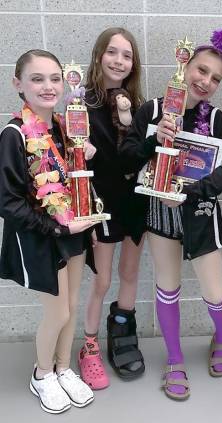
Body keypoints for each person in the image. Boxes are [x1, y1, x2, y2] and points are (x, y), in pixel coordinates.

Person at [119, 33, 222, 401]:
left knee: (213, 291)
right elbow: (127, 157)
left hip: (201, 215)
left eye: (216, 78)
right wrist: (154, 139)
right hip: (159, 216)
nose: (206, 81)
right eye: (201, 70)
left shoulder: (217, 119)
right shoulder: (152, 111)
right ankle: (174, 360)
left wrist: (192, 191)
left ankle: (221, 338)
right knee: (167, 287)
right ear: (185, 68)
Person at [0, 49, 96, 414]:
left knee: (71, 308)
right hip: (41, 236)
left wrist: (85, 154)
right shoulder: (13, 135)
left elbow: (73, 180)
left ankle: (63, 367)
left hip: (74, 230)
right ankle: (42, 374)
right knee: (56, 313)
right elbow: (8, 203)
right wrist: (55, 225)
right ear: (18, 84)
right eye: (37, 79)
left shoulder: (67, 127)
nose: (48, 86)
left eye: (54, 78)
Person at [78, 27, 146, 390]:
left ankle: (122, 333)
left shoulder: (139, 105)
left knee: (130, 273)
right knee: (102, 280)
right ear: (99, 55)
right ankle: (88, 346)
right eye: (113, 52)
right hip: (101, 204)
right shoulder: (81, 103)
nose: (119, 60)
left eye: (127, 55)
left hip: (135, 201)